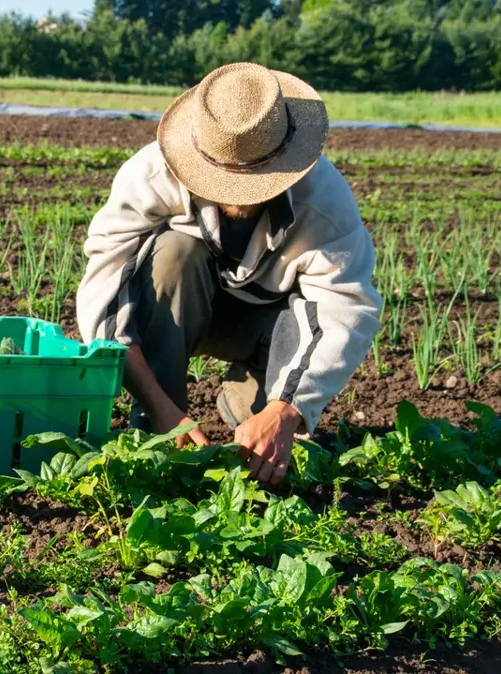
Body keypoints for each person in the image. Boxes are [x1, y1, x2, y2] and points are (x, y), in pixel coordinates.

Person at [76, 62, 382, 485]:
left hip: (265, 325)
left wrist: (286, 410)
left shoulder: (324, 202)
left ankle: (247, 400)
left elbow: (344, 309)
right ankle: (156, 428)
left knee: (267, 442)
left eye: (255, 181)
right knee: (173, 253)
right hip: (181, 308)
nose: (239, 197)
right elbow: (105, 297)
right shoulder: (150, 176)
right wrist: (162, 411)